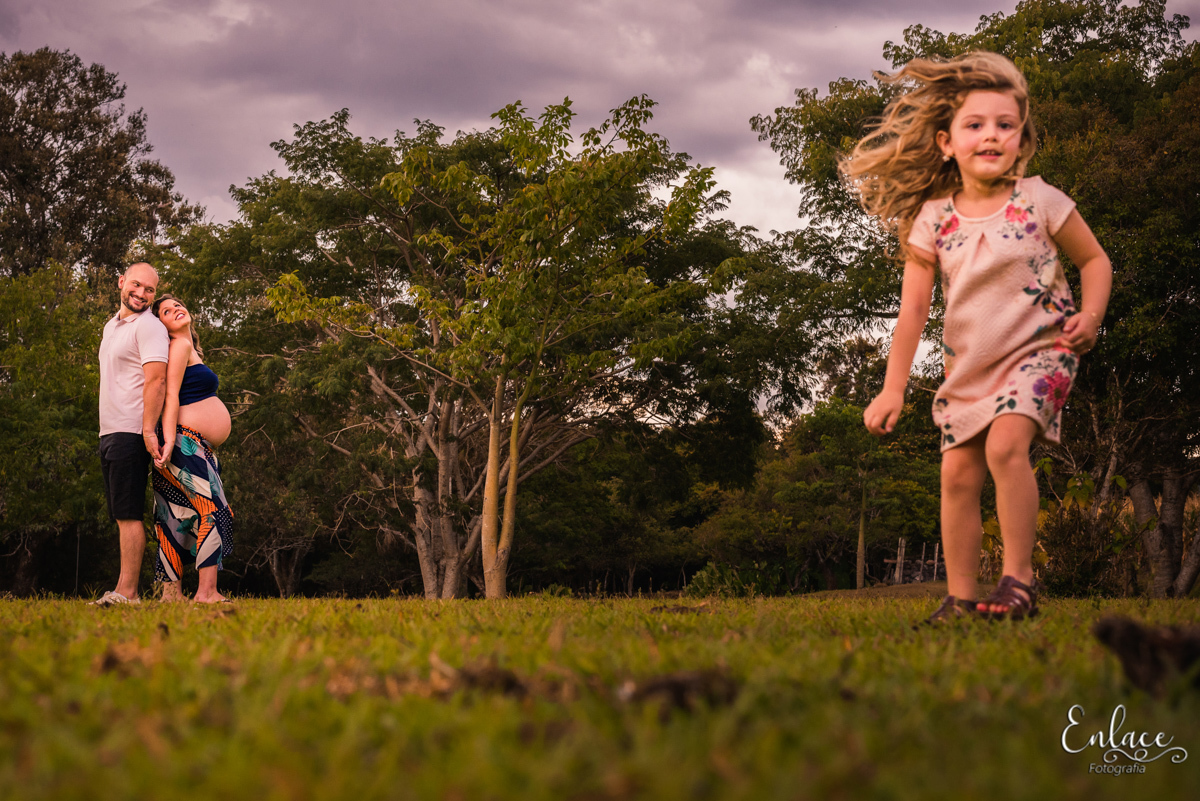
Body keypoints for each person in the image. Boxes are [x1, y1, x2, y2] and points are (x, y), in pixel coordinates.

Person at [845, 52, 1112, 622]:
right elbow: (913, 309)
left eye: (1005, 124)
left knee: (1004, 446)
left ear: (1022, 138)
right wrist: (892, 389)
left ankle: (1018, 583)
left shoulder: (1041, 199)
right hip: (969, 365)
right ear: (946, 142)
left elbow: (1095, 261)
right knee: (957, 473)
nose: (991, 135)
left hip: (1043, 351)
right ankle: (961, 599)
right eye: (975, 125)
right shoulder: (933, 219)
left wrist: (1089, 317)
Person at [149, 294, 234, 604]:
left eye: (177, 305)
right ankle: (207, 592)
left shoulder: (189, 348)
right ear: (162, 326)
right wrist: (170, 442)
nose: (176, 310)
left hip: (191, 444)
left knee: (176, 516)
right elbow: (169, 398)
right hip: (183, 443)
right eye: (167, 312)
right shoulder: (179, 347)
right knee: (211, 508)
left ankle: (171, 595)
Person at [93, 262, 169, 606]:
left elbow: (157, 380)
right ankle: (124, 589)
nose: (141, 294)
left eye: (150, 290)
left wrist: (148, 430)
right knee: (120, 514)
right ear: (121, 282)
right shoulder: (111, 326)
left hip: (130, 431)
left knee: (128, 513)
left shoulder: (150, 327)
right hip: (109, 431)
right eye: (136, 285)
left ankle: (128, 593)